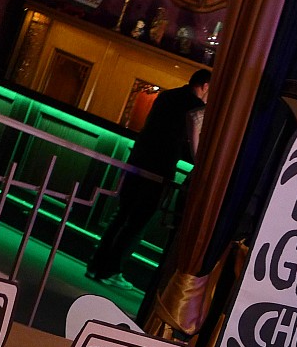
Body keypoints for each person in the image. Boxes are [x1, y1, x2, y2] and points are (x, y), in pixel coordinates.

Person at [86, 69, 211, 286]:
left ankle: (96, 265)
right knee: (137, 222)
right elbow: (189, 143)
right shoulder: (196, 108)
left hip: (138, 159)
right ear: (205, 86)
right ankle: (111, 270)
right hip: (159, 167)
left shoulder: (166, 95)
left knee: (122, 214)